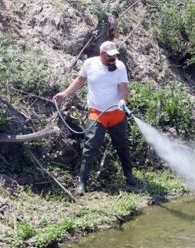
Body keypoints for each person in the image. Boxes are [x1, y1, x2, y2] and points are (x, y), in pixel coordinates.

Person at [53, 41, 138, 195]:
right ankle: (82, 183)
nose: (113, 59)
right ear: (102, 54)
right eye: (110, 57)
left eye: (115, 56)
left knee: (122, 146)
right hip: (97, 114)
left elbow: (124, 89)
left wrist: (122, 101)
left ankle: (129, 176)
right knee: (90, 147)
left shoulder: (120, 67)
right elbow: (80, 80)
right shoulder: (89, 64)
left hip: (117, 114)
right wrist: (65, 94)